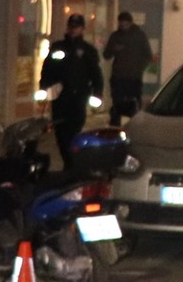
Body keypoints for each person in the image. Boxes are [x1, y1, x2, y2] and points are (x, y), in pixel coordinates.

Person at [37, 13, 105, 170]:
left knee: (74, 130)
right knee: (60, 132)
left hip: (79, 97)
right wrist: (44, 87)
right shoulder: (58, 47)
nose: (73, 30)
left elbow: (96, 73)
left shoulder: (88, 50)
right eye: (71, 27)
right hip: (60, 97)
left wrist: (97, 92)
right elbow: (47, 69)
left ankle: (72, 163)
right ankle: (69, 163)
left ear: (82, 29)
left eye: (77, 27)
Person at [102, 11, 154, 125]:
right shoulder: (115, 36)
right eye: (121, 24)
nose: (123, 27)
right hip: (119, 76)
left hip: (133, 77)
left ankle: (134, 125)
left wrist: (139, 68)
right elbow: (106, 55)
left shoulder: (139, 36)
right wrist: (114, 49)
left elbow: (148, 55)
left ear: (130, 23)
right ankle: (116, 125)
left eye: (125, 24)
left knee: (133, 104)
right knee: (117, 104)